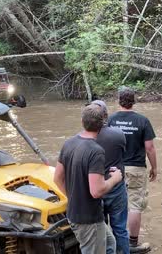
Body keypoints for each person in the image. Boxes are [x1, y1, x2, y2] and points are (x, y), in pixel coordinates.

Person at [54, 103, 122, 254]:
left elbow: (57, 178)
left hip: (74, 213)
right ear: (102, 125)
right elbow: (97, 191)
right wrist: (115, 178)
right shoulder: (96, 151)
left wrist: (72, 197)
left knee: (110, 243)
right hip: (89, 218)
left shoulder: (69, 143)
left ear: (82, 121)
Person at [107, 87, 157, 253]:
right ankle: (133, 243)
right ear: (134, 101)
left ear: (119, 100)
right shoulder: (142, 120)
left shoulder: (111, 120)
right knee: (135, 205)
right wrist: (154, 168)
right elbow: (149, 148)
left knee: (114, 204)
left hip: (115, 168)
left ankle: (112, 240)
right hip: (136, 168)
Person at [93, 100, 130, 254]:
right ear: (106, 116)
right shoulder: (118, 134)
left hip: (97, 187)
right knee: (120, 229)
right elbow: (123, 153)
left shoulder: (87, 137)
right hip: (116, 186)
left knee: (101, 231)